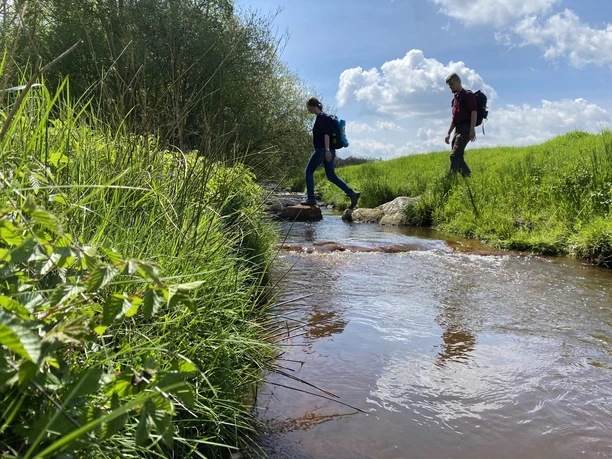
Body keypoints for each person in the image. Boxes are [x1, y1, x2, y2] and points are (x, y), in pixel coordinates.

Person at [301, 96, 360, 208]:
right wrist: (329, 151)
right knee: (331, 176)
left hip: (323, 150)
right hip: (329, 150)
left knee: (308, 171)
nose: (307, 109)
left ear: (312, 106)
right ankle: (352, 193)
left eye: (307, 106)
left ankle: (311, 199)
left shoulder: (321, 117)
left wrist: (327, 150)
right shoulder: (324, 117)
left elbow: (326, 134)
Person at [444, 73, 476, 177]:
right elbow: (454, 118)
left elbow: (474, 112)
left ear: (459, 82)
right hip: (457, 129)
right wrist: (448, 133)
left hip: (466, 128)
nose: (451, 87)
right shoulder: (455, 99)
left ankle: (450, 180)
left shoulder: (467, 95)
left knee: (454, 156)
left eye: (452, 84)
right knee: (458, 158)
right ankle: (470, 180)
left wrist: (472, 129)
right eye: (449, 85)